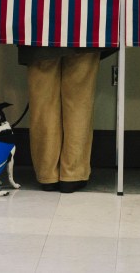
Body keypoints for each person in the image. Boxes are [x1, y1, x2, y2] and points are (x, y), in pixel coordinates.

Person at [19, 46, 111, 193]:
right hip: (84, 32)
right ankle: (73, 174)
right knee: (79, 101)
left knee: (42, 103)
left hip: (39, 34)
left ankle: (47, 174)